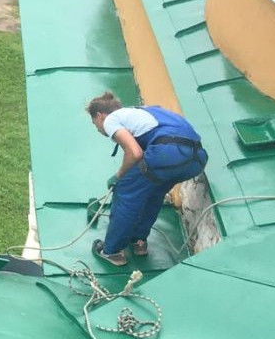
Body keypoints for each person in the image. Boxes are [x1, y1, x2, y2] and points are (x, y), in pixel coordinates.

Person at [85, 92, 208, 266]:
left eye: (94, 123)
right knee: (153, 193)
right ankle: (139, 242)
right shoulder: (146, 111)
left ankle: (112, 251)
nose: (98, 128)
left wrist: (118, 176)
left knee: (125, 192)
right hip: (196, 159)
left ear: (100, 115)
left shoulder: (111, 119)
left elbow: (134, 153)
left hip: (168, 153)